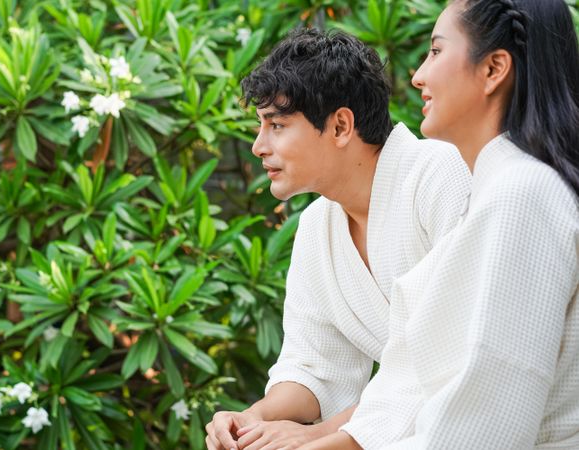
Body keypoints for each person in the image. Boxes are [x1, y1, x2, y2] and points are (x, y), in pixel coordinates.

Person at [299, 0, 579, 449]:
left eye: (436, 51)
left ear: (493, 70)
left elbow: (488, 423)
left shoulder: (522, 195)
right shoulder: (501, 190)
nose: (418, 76)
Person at [204, 29, 471, 450]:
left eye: (277, 125)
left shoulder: (441, 177)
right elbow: (315, 366)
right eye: (260, 126)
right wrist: (254, 418)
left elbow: (451, 361)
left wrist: (323, 437)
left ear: (341, 125)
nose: (258, 146)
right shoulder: (316, 227)